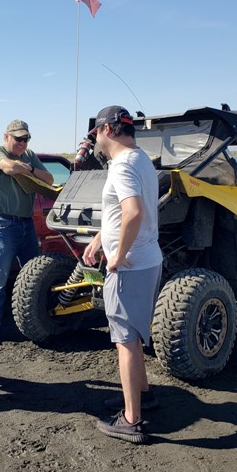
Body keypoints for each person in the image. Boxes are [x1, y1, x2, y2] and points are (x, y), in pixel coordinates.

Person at [82, 105, 163, 444]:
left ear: (109, 131)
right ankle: (142, 394)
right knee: (134, 334)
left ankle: (131, 419)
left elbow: (133, 212)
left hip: (131, 266)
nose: (95, 140)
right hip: (148, 260)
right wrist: (102, 238)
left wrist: (117, 256)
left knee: (125, 340)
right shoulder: (141, 159)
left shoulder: (122, 166)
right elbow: (124, 211)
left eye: (96, 133)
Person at [0, 120, 54, 343]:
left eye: (26, 139)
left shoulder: (29, 156)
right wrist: (26, 169)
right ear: (6, 137)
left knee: (33, 274)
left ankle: (36, 317)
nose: (22, 143)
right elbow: (9, 167)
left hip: (26, 224)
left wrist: (30, 169)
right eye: (18, 139)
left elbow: (50, 179)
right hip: (4, 225)